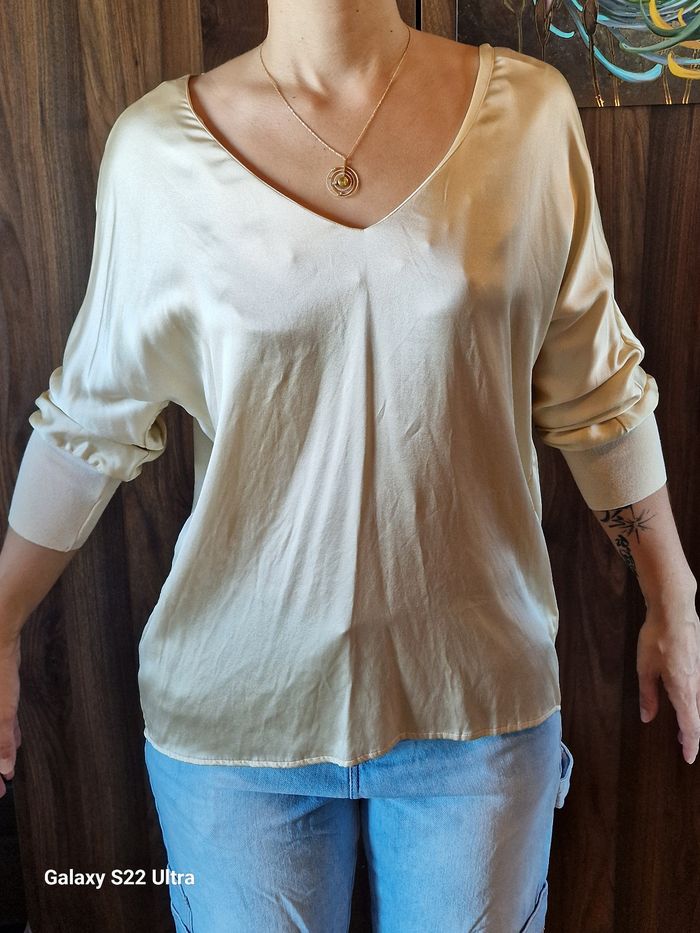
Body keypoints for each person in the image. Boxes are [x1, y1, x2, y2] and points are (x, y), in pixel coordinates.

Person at [1, 1, 698, 930]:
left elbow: (596, 388)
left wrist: (673, 593)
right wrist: (0, 621)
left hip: (477, 708)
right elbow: (90, 420)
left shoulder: (529, 118)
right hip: (237, 724)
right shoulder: (156, 155)